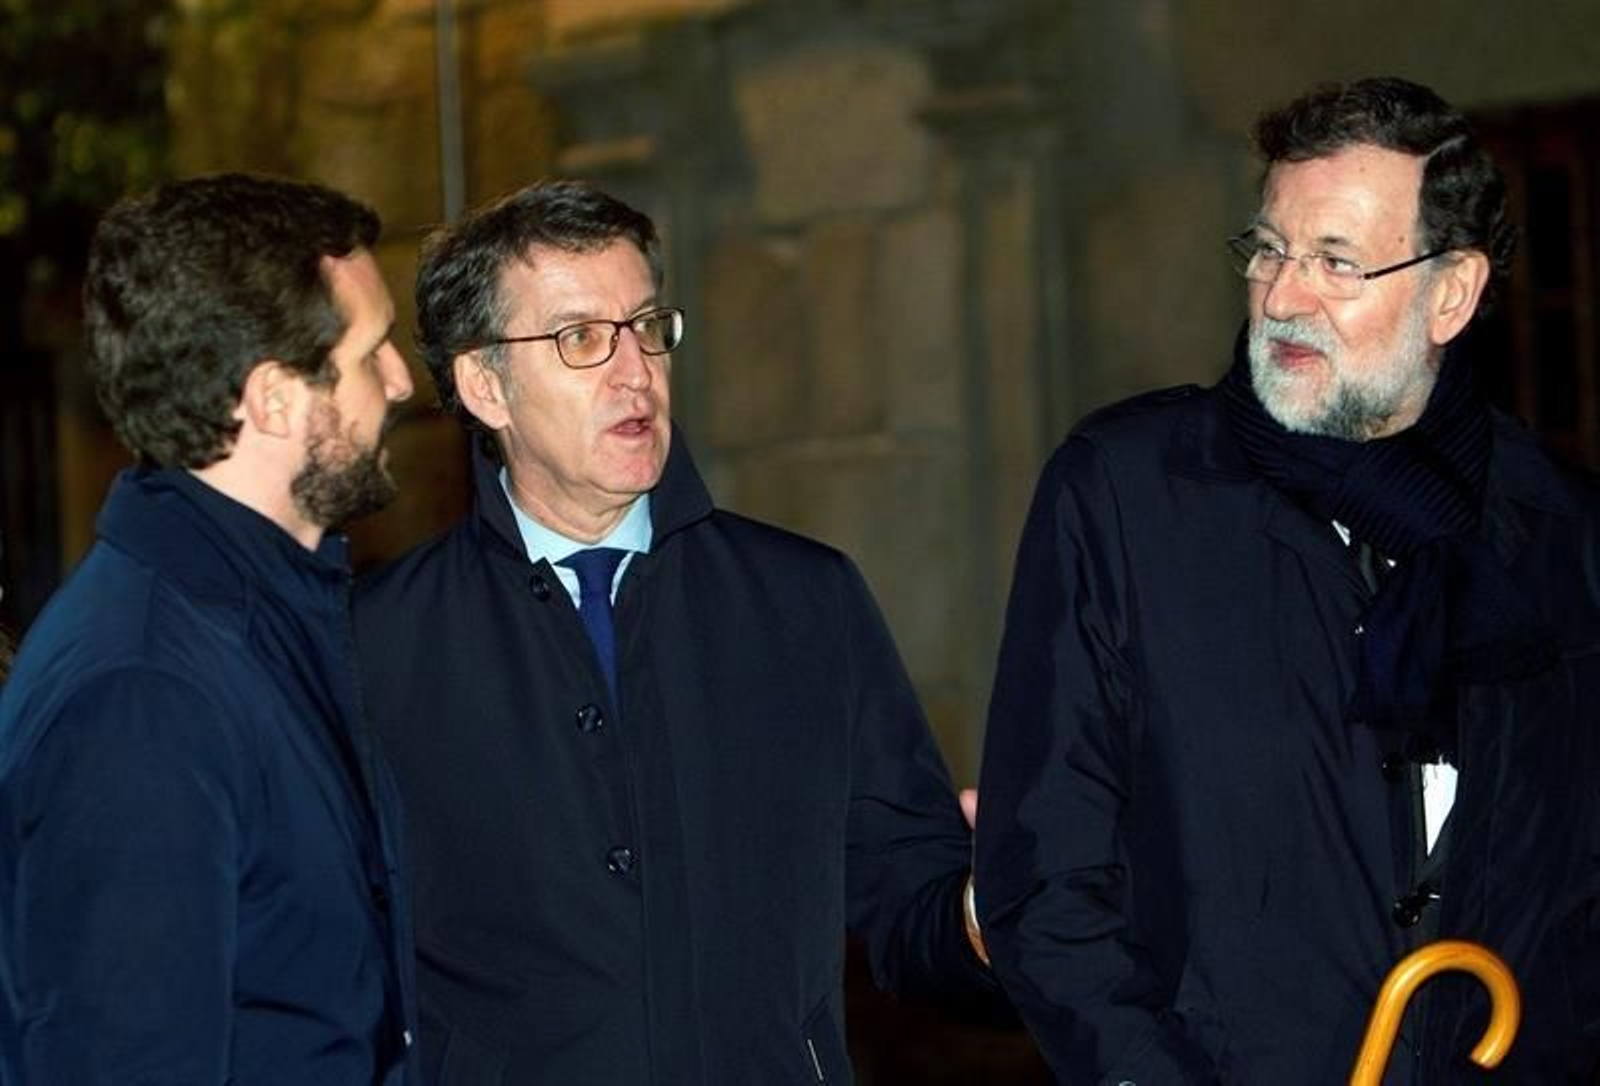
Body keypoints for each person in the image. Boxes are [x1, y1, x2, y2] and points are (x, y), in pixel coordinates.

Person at [975, 76, 1600, 1082]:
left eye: (1335, 263)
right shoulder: (1130, 494)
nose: (1282, 296)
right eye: (1268, 250)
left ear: (1451, 294)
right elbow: (1044, 881)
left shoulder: (1560, 536)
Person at [352, 180, 995, 1083]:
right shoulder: (377, 649)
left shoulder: (803, 602)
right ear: (483, 385)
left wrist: (982, 908)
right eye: (581, 339)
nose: (634, 372)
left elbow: (905, 903)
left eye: (647, 327)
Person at [0, 173, 420, 1083]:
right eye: (372, 352)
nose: (402, 381)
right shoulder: (141, 692)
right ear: (274, 398)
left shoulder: (274, 614)